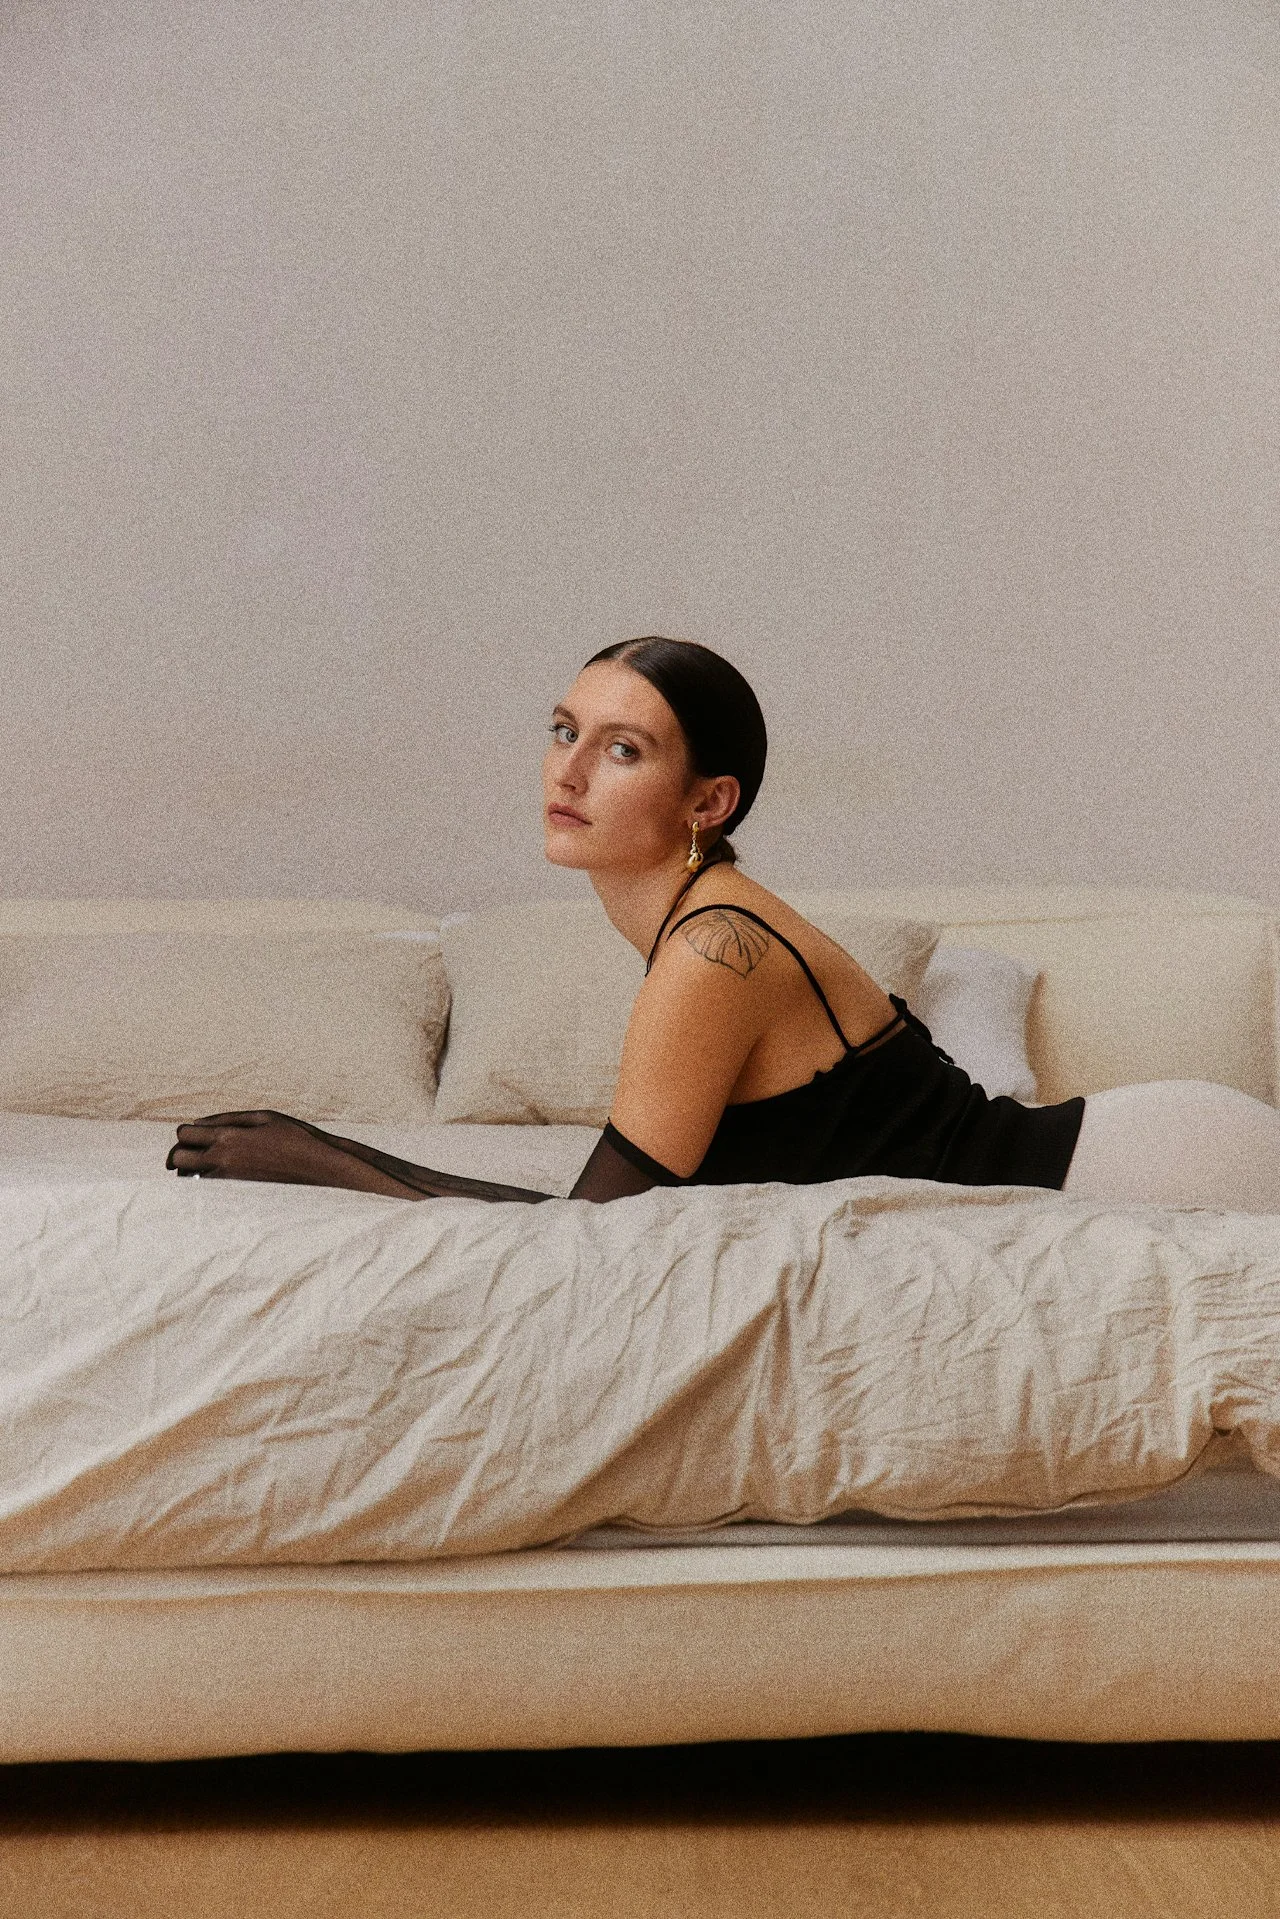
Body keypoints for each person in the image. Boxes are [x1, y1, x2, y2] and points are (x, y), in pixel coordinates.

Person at [166, 637, 1280, 1212]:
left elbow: (597, 1225)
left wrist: (325, 1156)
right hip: (1141, 1152)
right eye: (564, 729)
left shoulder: (714, 948)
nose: (566, 770)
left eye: (622, 748)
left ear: (709, 803)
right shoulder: (704, 921)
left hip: (1157, 1173)